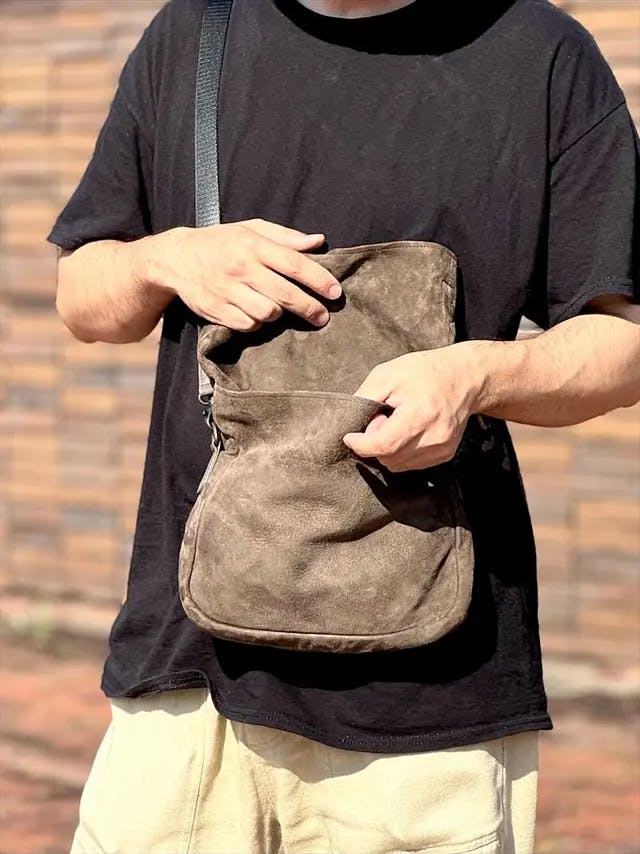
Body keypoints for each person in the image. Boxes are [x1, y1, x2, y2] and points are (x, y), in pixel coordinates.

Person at [48, 0, 639, 851]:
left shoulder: (541, 54)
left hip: (431, 692)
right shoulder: (196, 32)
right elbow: (84, 296)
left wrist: (475, 376)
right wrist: (163, 257)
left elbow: (622, 345)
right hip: (189, 670)